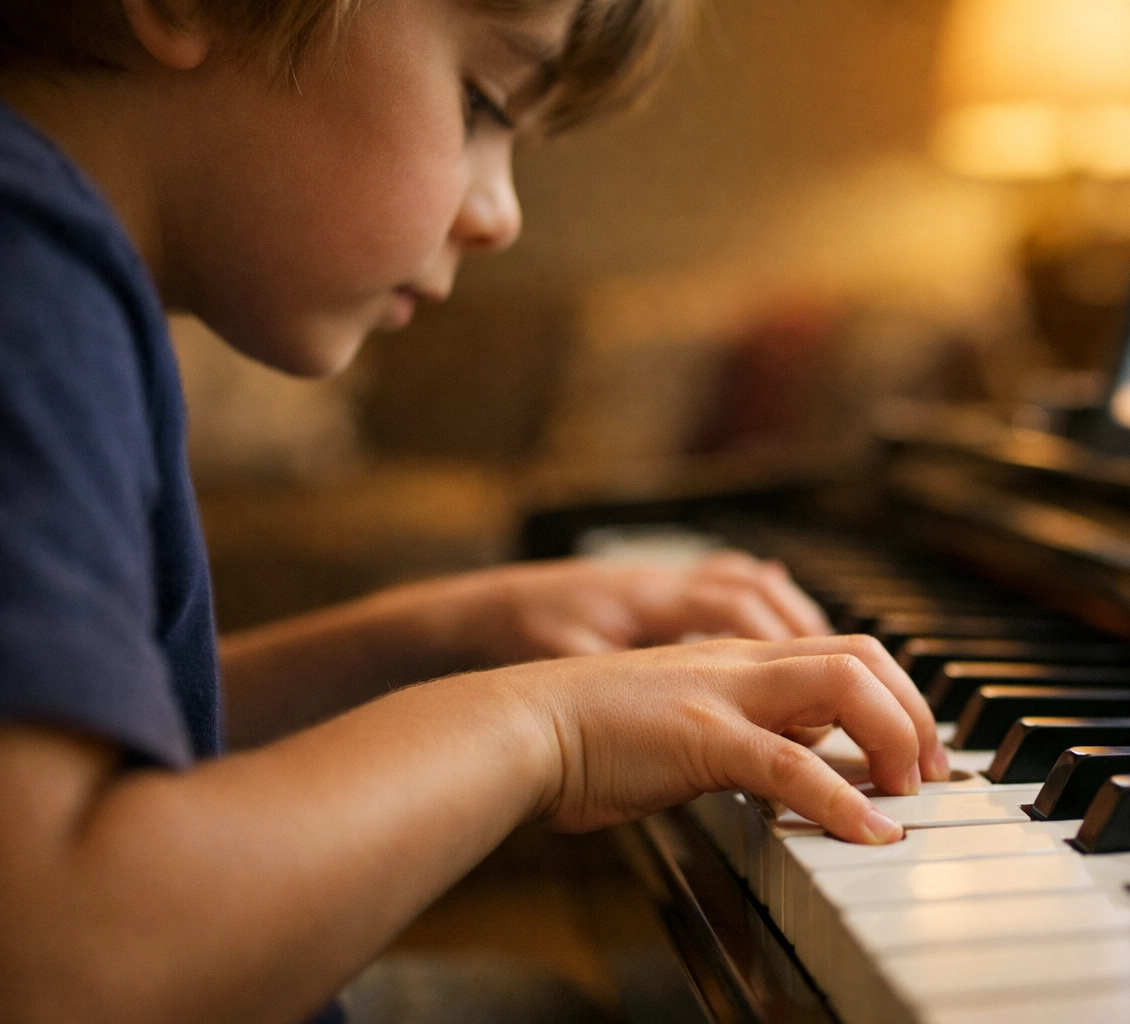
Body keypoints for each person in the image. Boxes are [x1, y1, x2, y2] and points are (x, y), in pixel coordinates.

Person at [0, 0, 951, 1020]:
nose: (500, 212)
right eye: (482, 100)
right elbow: (71, 956)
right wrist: (547, 724)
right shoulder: (31, 272)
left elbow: (129, 756)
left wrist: (432, 632)